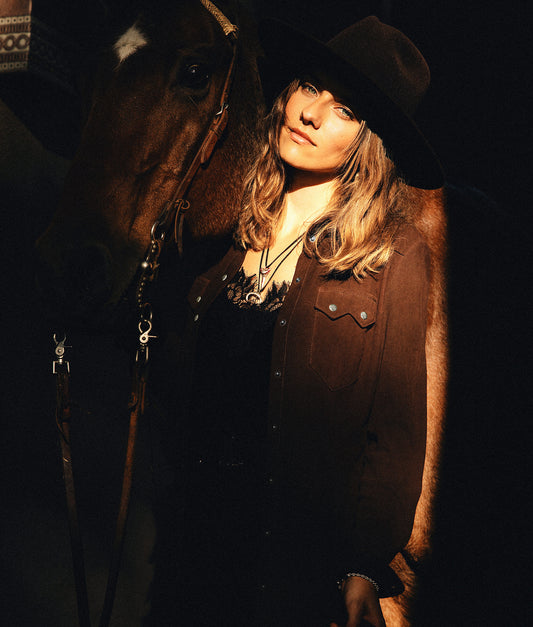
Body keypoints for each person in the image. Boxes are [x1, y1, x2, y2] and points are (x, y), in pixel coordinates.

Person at [152, 14, 443, 627]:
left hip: (286, 576)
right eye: (310, 86)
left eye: (344, 110)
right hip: (188, 547)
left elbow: (393, 436)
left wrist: (363, 567)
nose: (310, 113)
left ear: (369, 144)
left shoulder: (394, 255)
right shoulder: (231, 224)